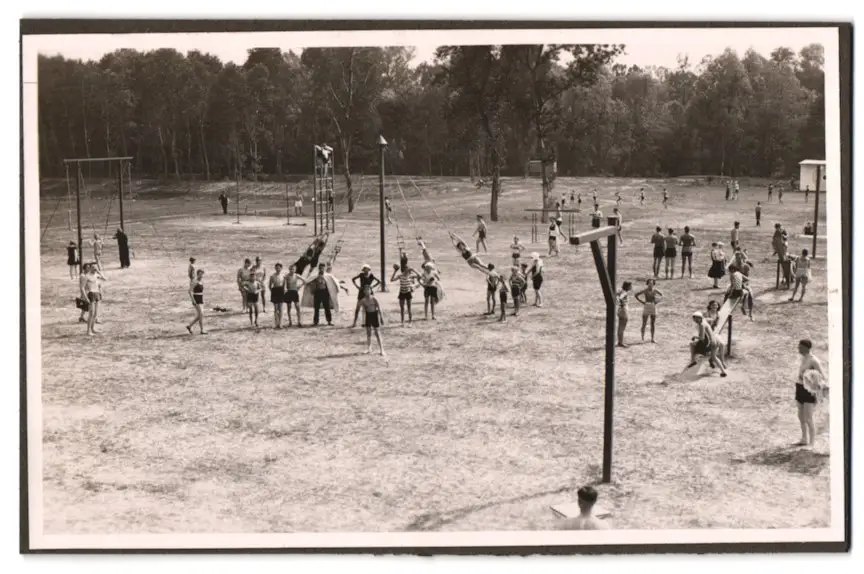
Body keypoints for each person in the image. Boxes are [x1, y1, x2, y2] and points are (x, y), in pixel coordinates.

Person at [795, 339, 827, 447]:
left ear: (806, 348)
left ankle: (812, 443)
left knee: (808, 417)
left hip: (809, 391)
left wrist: (811, 379)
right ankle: (804, 439)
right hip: (799, 388)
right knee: (800, 415)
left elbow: (823, 376)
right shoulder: (804, 358)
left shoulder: (814, 360)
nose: (798, 349)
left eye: (800, 347)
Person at [687, 311, 728, 377]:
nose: (696, 320)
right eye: (695, 318)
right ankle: (723, 372)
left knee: (692, 344)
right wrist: (713, 321)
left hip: (710, 343)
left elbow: (702, 338)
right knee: (714, 357)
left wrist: (695, 337)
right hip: (715, 341)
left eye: (698, 318)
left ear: (701, 318)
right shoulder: (704, 321)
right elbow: (710, 319)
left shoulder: (701, 325)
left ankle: (693, 360)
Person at [79, 263, 107, 336]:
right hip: (91, 294)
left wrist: (99, 271)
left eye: (95, 267)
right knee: (91, 314)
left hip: (97, 293)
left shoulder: (96, 275)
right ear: (90, 268)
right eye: (93, 268)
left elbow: (105, 279)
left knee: (95, 314)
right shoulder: (86, 276)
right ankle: (88, 331)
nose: (94, 269)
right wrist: (86, 297)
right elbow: (82, 288)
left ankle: (93, 328)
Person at [358, 286, 386, 356]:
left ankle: (381, 349)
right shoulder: (363, 300)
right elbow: (362, 310)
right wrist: (363, 321)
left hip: (374, 315)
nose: (367, 291)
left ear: (371, 290)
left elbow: (379, 308)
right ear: (364, 291)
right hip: (368, 316)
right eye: (365, 290)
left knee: (377, 333)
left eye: (368, 290)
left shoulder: (374, 298)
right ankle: (369, 348)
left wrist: (381, 318)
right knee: (368, 332)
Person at [391, 262, 420, 326]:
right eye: (407, 269)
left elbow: (419, 275)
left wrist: (414, 270)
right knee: (402, 308)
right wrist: (395, 271)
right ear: (404, 269)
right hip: (402, 292)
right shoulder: (400, 275)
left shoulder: (410, 275)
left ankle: (410, 322)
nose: (408, 270)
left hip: (408, 292)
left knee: (409, 308)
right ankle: (402, 322)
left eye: (409, 269)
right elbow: (392, 279)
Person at [186, 269, 207, 335]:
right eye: (200, 274)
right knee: (201, 314)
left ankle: (189, 326)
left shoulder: (201, 282)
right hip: (196, 299)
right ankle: (202, 330)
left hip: (201, 299)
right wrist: (193, 300)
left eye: (202, 274)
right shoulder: (195, 281)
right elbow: (189, 291)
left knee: (201, 315)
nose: (201, 276)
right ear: (197, 274)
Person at [269, 262, 287, 329]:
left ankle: (280, 323)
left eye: (279, 268)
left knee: (280, 308)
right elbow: (270, 286)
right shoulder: (272, 276)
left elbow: (284, 285)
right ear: (275, 268)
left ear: (281, 268)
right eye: (276, 268)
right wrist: (273, 292)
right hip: (275, 291)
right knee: (276, 308)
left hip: (281, 291)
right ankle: (276, 323)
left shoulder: (283, 276)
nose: (278, 269)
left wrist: (284, 291)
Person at [616, 281, 633, 347]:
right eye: (630, 286)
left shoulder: (621, 291)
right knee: (622, 327)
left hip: (620, 310)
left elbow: (617, 295)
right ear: (628, 286)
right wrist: (622, 303)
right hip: (623, 310)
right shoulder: (624, 292)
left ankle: (620, 341)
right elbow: (620, 298)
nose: (631, 287)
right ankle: (621, 342)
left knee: (620, 327)